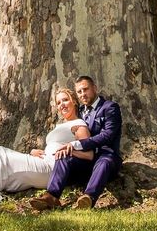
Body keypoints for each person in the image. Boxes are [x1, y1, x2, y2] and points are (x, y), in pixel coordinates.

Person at [29, 75, 122, 210]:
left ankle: (88, 198)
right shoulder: (80, 112)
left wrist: (75, 145)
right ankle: (51, 196)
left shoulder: (109, 108)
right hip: (86, 161)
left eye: (86, 89)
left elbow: (107, 136)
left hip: (107, 157)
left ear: (94, 88)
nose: (83, 94)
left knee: (104, 161)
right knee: (63, 156)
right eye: (79, 92)